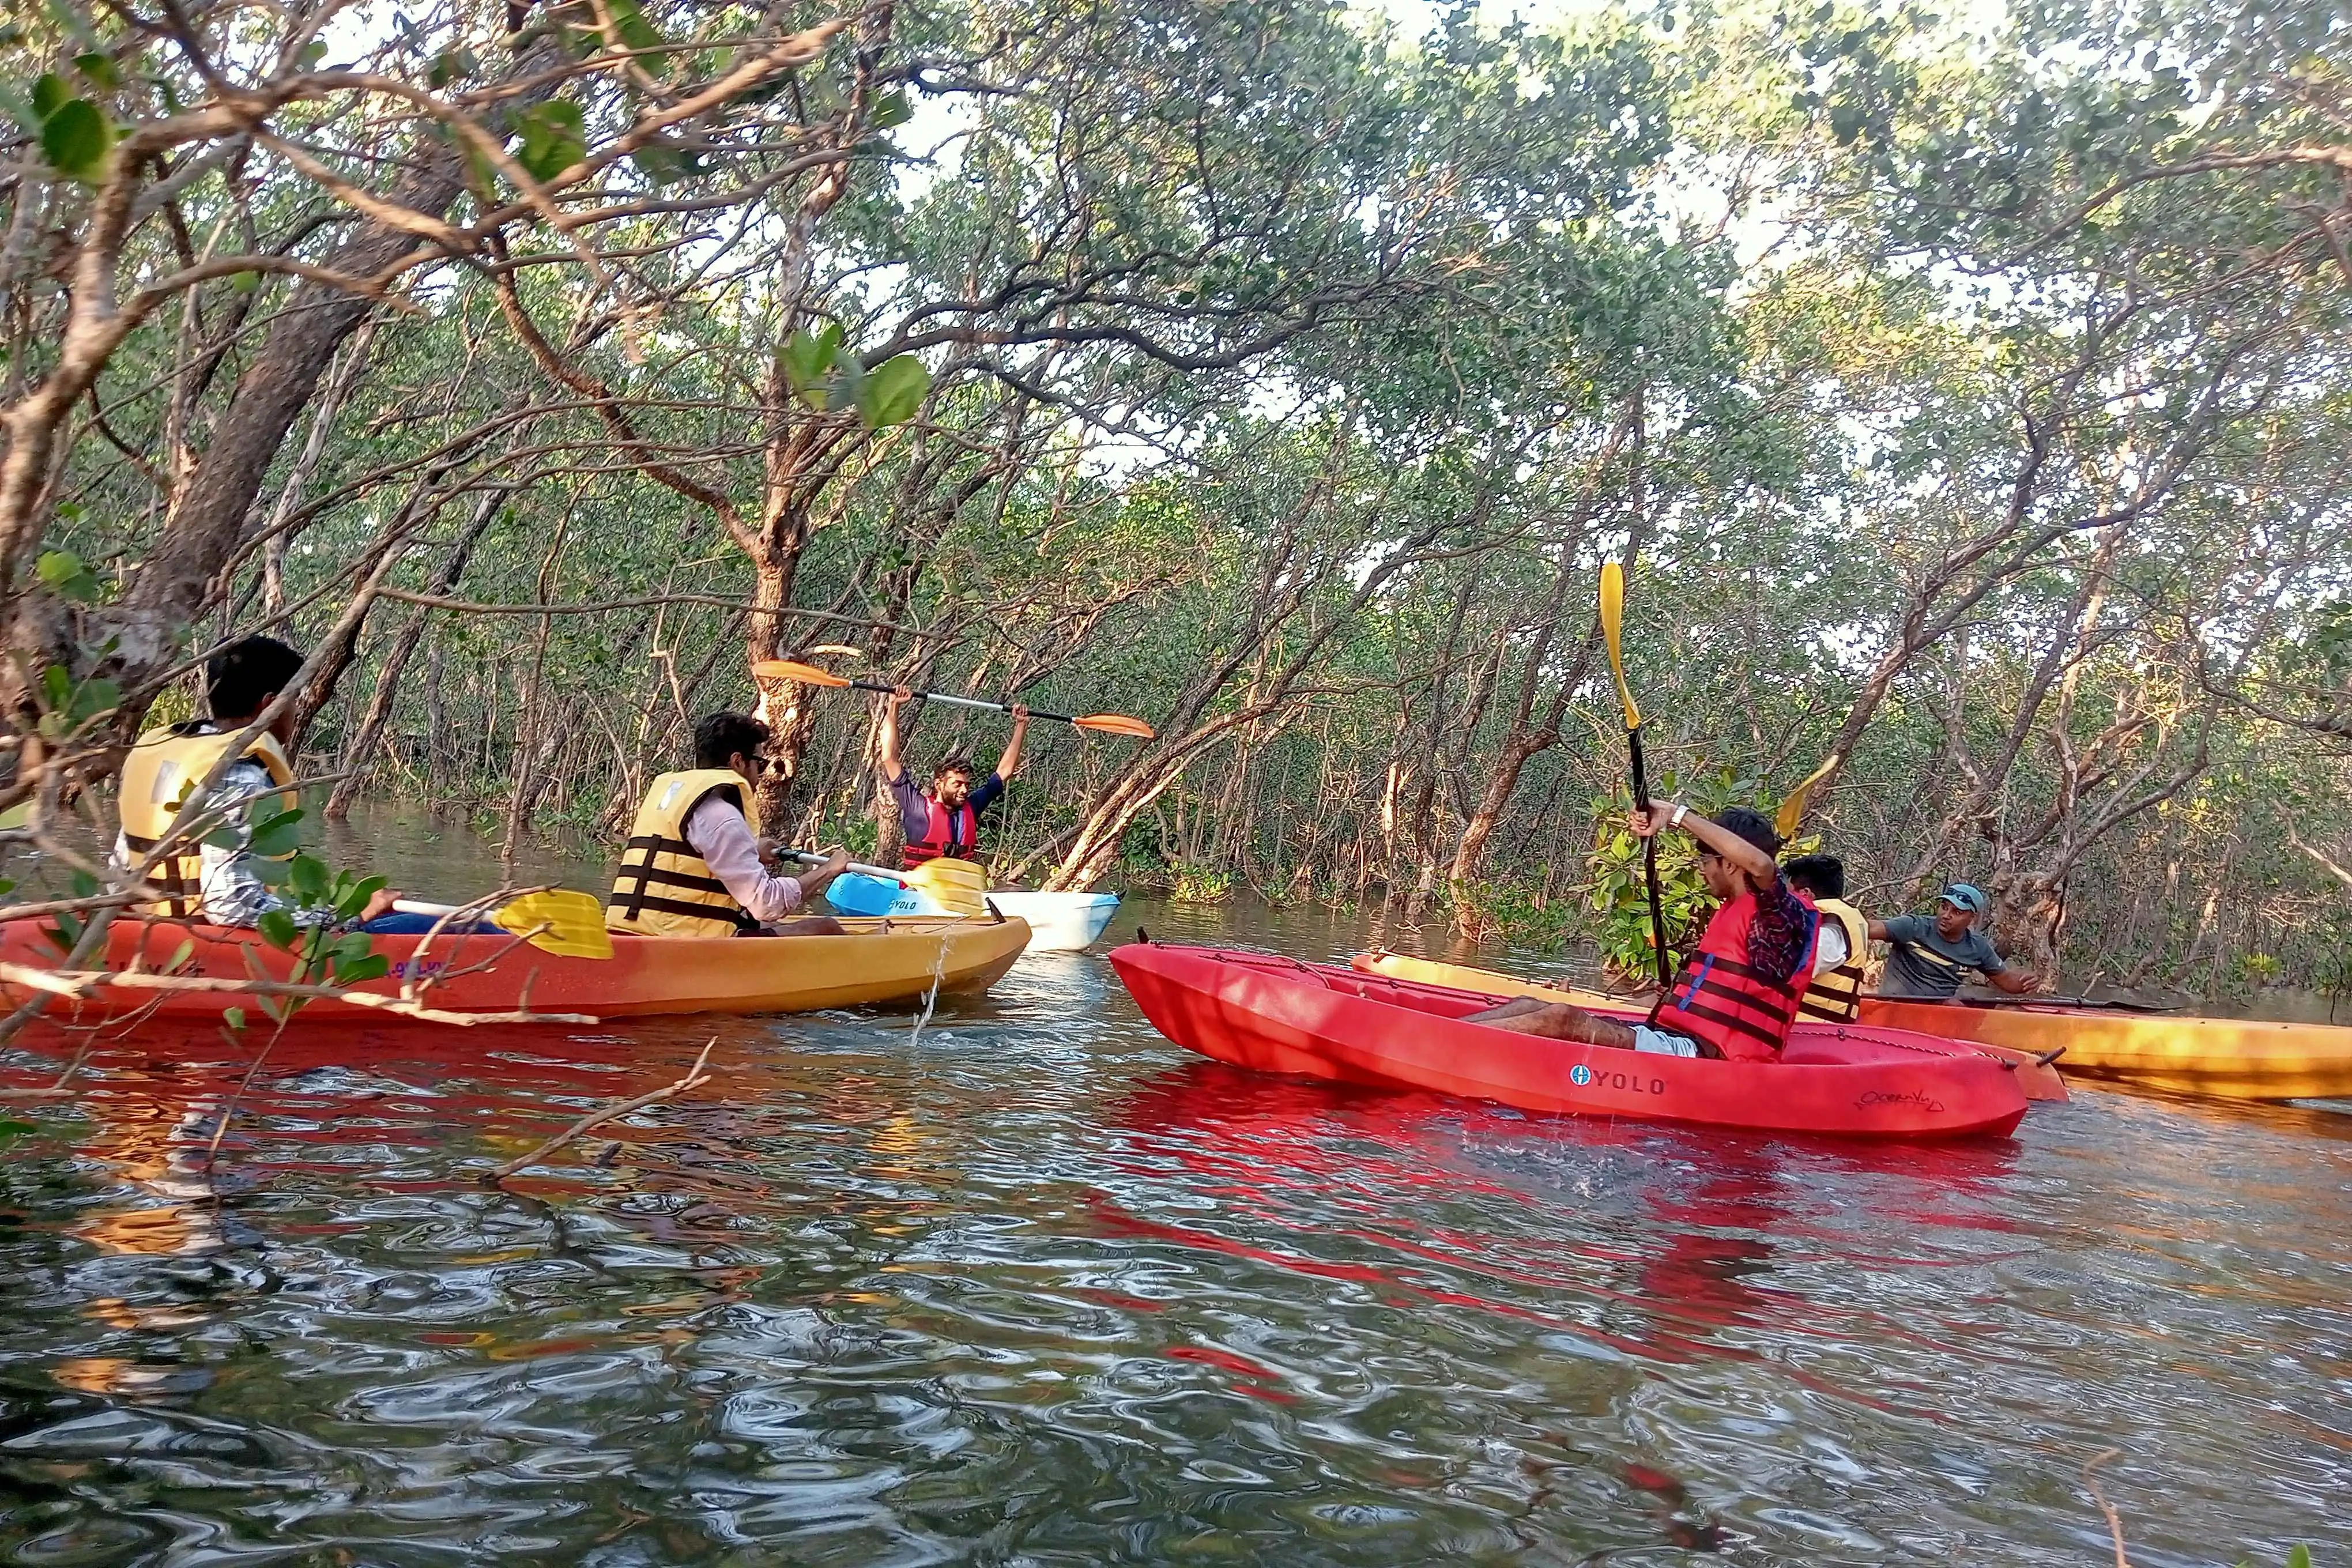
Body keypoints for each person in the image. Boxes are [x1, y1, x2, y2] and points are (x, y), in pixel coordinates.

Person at [1466, 803, 1818, 1059]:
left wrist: (1676, 815)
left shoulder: (1778, 916)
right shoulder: (1734, 910)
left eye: (1705, 862)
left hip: (1710, 1055)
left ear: (1730, 862)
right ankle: (1436, 1037)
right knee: (1527, 1003)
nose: (1701, 871)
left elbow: (1760, 864)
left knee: (1562, 1019)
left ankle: (1445, 1049)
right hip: (1676, 1038)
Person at [116, 634, 403, 929]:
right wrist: (345, 915)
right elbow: (230, 906)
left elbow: (120, 875)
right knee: (439, 928)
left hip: (147, 923)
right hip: (205, 937)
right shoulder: (243, 774)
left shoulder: (159, 751)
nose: (295, 711)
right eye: (294, 700)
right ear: (271, 705)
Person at [606, 711, 850, 937]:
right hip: (680, 944)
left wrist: (752, 851)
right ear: (737, 762)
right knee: (826, 927)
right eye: (760, 764)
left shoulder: (676, 800)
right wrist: (829, 870)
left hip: (631, 928)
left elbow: (691, 856)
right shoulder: (723, 815)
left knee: (764, 925)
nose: (760, 774)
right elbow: (767, 904)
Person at [877, 684, 1029, 869]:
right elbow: (889, 758)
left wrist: (1021, 725)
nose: (964, 789)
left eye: (967, 784)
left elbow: (1004, 772)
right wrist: (894, 706)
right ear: (939, 784)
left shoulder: (972, 807)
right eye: (957, 784)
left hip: (958, 889)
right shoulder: (916, 806)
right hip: (918, 890)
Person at [1868, 882, 2040, 998]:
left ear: (1972, 918)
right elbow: (1869, 928)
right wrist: (1844, 917)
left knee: (2006, 1010)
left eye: (1957, 912)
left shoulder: (1977, 948)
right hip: (1895, 1008)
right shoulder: (1912, 927)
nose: (1946, 915)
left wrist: (2027, 981)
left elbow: (2008, 982)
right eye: (1944, 907)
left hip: (1942, 1014)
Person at [1783, 853, 1868, 1023]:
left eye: (1788, 893)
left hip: (1814, 1033)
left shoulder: (1831, 928)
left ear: (1805, 894)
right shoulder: (1844, 918)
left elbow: (1792, 965)